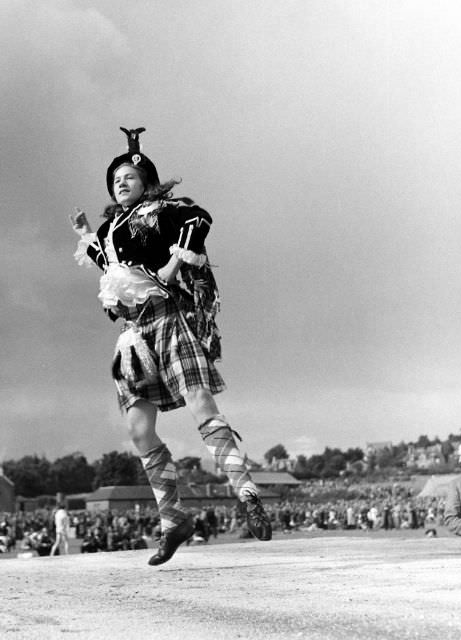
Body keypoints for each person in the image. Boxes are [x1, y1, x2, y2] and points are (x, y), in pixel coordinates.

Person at [70, 126, 272, 566]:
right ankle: (173, 519)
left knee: (201, 401)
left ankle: (246, 491)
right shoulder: (111, 228)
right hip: (132, 336)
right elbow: (113, 269)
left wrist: (178, 258)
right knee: (138, 429)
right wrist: (87, 235)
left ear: (146, 181)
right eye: (115, 179)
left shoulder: (164, 210)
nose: (120, 183)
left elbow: (200, 219)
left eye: (128, 176)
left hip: (167, 318)